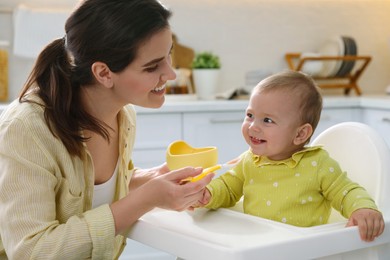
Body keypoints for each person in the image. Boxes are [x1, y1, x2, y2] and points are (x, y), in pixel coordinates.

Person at [0, 0, 213, 259]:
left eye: (169, 54)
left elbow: (88, 191)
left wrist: (152, 178)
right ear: (103, 73)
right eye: (152, 66)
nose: (170, 73)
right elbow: (30, 250)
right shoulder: (27, 129)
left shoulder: (124, 116)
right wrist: (144, 199)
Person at [192, 70, 384, 242]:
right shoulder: (249, 160)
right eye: (250, 115)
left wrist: (363, 208)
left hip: (302, 251)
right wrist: (207, 194)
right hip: (256, 246)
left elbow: (346, 191)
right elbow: (228, 187)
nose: (252, 126)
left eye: (267, 120)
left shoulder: (318, 164)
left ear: (300, 134)